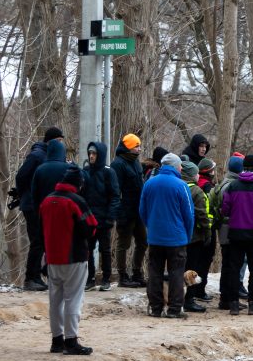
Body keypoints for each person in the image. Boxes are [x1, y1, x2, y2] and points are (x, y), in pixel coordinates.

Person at [41, 165, 97, 355]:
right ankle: (71, 340)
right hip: (75, 257)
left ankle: (57, 340)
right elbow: (91, 227)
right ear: (78, 183)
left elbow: (40, 229)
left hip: (52, 258)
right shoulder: (76, 201)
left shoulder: (47, 201)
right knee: (73, 299)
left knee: (55, 300)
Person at [139, 154, 194, 319]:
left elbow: (142, 211)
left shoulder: (149, 183)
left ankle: (156, 308)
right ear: (177, 167)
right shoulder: (181, 185)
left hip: (155, 237)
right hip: (176, 238)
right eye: (180, 166)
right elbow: (189, 215)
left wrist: (151, 226)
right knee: (176, 273)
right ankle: (174, 309)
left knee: (154, 272)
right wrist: (187, 235)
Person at [14, 127, 64, 291]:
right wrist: (25, 195)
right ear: (51, 141)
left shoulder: (46, 156)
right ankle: (30, 278)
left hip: (40, 205)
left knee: (41, 241)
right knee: (37, 241)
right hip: (32, 205)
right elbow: (21, 176)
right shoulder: (37, 155)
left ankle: (36, 277)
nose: (61, 144)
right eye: (59, 141)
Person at [221, 154, 253, 315]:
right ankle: (252, 304)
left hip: (235, 233)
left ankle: (234, 304)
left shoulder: (233, 186)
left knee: (234, 268)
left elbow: (225, 209)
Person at [82, 141, 120, 291]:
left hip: (104, 218)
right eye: (90, 153)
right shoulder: (85, 171)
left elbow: (115, 196)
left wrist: (110, 217)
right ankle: (90, 279)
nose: (91, 156)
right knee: (88, 250)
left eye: (94, 153)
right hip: (89, 219)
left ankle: (106, 279)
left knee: (105, 250)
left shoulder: (108, 172)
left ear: (100, 155)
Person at [112, 133, 147, 288]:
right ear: (129, 147)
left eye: (139, 145)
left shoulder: (136, 162)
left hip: (138, 210)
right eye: (136, 146)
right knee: (123, 244)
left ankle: (137, 273)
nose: (139, 148)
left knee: (143, 241)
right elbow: (115, 190)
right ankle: (122, 276)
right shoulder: (118, 164)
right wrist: (119, 211)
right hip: (125, 211)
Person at [212, 155, 244, 311]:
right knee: (231, 265)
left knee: (227, 264)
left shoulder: (223, 182)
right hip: (229, 229)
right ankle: (228, 299)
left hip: (223, 229)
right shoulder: (232, 186)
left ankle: (225, 298)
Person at [180, 161, 210, 313]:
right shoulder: (196, 191)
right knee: (192, 268)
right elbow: (201, 214)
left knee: (179, 267)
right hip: (194, 236)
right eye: (197, 173)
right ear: (192, 175)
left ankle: (177, 297)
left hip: (178, 235)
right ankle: (189, 299)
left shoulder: (178, 186)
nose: (199, 175)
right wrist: (207, 232)